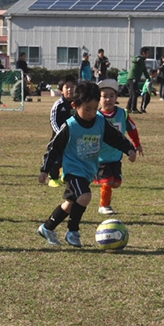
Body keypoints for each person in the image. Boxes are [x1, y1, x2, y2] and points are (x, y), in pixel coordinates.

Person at [37, 81, 137, 247]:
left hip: (88, 170)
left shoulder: (100, 121)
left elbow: (115, 137)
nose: (91, 113)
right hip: (73, 170)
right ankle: (73, 232)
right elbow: (53, 148)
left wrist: (129, 149)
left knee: (69, 204)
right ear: (75, 106)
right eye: (87, 109)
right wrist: (44, 170)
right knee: (85, 196)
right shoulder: (70, 126)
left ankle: (47, 227)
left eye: (94, 108)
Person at [96, 79, 143, 215]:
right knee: (108, 181)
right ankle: (103, 206)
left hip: (116, 155)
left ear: (116, 97)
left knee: (116, 183)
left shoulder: (122, 114)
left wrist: (137, 144)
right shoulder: (96, 116)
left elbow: (132, 129)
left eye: (111, 96)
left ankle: (105, 201)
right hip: (100, 157)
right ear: (98, 99)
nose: (108, 99)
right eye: (104, 96)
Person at [47, 74, 77, 188]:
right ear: (61, 90)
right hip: (59, 138)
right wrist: (60, 133)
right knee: (56, 158)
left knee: (71, 157)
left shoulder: (77, 104)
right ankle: (53, 178)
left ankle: (66, 175)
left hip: (73, 138)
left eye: (72, 87)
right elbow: (52, 120)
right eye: (67, 87)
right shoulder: (58, 105)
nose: (70, 90)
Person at [126, 47, 150, 114]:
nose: (149, 54)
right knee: (134, 93)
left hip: (135, 78)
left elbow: (144, 71)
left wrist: (148, 78)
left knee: (133, 94)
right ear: (143, 53)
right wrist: (137, 59)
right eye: (147, 53)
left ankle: (128, 108)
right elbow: (133, 59)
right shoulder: (139, 57)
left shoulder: (143, 62)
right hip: (132, 77)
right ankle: (133, 109)